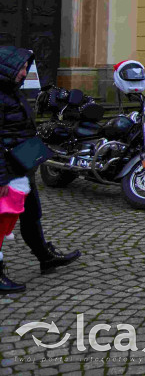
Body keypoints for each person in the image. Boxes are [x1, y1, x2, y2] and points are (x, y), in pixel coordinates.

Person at [0, 47, 81, 294]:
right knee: (3, 221)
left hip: (21, 164)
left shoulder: (12, 91)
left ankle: (45, 257)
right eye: (21, 67)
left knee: (31, 213)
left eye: (26, 67)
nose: (24, 72)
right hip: (7, 169)